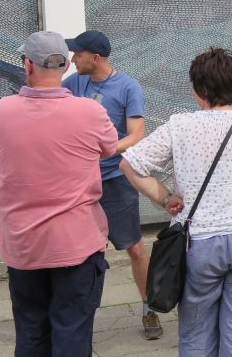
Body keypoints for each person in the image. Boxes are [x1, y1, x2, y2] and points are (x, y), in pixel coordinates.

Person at [119, 47, 232, 357]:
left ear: (199, 91)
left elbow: (130, 164)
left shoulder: (180, 125)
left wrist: (166, 198)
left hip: (201, 241)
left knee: (197, 336)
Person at [0, 31, 118, 357]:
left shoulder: (2, 111)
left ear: (28, 65)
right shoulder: (90, 112)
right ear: (68, 63)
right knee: (71, 334)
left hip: (23, 245)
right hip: (76, 244)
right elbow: (110, 147)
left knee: (30, 333)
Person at [61, 30, 161, 340]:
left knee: (134, 249)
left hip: (116, 182)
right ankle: (78, 317)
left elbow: (135, 136)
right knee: (82, 255)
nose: (72, 59)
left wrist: (103, 148)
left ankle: (149, 308)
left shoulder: (127, 87)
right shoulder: (73, 83)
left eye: (77, 54)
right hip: (80, 182)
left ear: (95, 58)